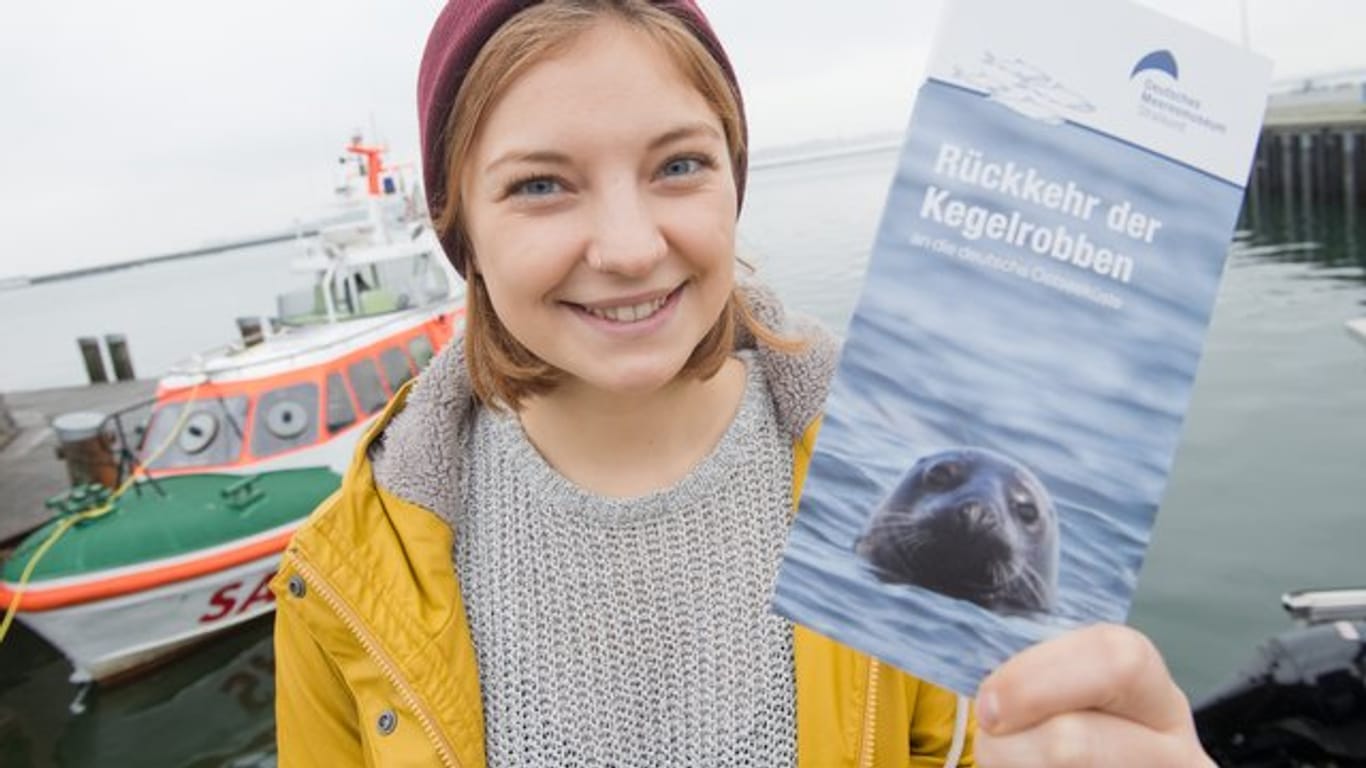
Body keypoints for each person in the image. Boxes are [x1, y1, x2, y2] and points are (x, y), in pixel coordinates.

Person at [271, 1, 1215, 766]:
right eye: (541, 185)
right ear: (460, 226)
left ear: (734, 181)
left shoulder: (873, 490)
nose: (633, 247)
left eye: (679, 165)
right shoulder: (346, 573)